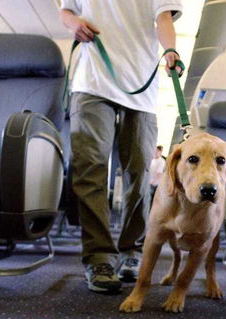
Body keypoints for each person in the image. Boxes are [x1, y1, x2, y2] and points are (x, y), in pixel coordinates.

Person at [60, 0, 183, 293]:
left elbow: (163, 18)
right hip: (92, 82)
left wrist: (171, 50)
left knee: (139, 174)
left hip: (141, 85)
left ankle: (133, 252)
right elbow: (66, 10)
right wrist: (73, 24)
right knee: (90, 171)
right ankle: (99, 257)